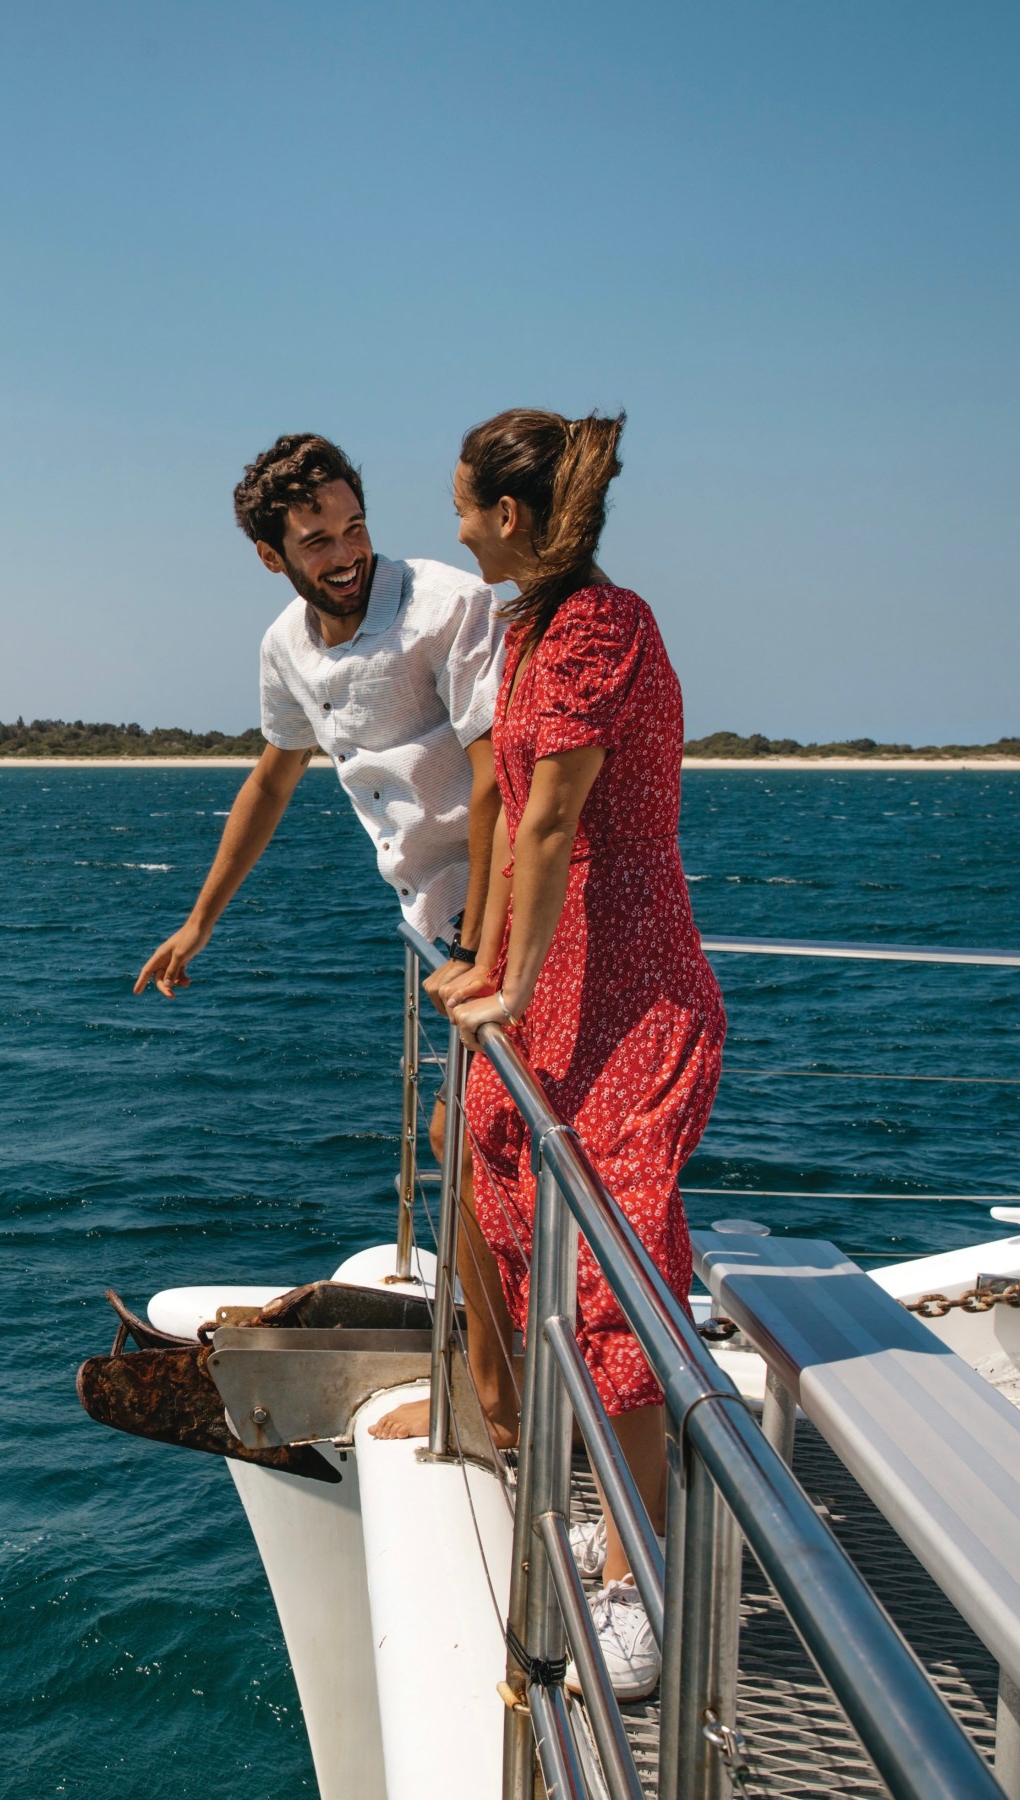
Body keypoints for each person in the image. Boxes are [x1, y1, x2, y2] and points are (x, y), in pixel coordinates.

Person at [136, 431, 520, 1444]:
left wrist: (488, 934)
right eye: (316, 540)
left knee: (471, 1146)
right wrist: (199, 920)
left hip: (509, 921)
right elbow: (272, 778)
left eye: (353, 527)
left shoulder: (447, 604)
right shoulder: (285, 648)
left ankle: (498, 1397)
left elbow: (497, 773)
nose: (344, 551)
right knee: (473, 1145)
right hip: (440, 932)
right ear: (275, 554)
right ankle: (512, 1361)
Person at [444, 407, 727, 1702]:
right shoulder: (534, 628)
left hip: (632, 998)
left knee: (617, 1287)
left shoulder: (598, 632)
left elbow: (555, 819)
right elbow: (505, 828)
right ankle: (598, 1509)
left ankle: (643, 1587)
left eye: (464, 506)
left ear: (509, 518)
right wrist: (491, 963)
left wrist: (500, 982)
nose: (453, 528)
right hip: (561, 989)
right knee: (513, 1202)